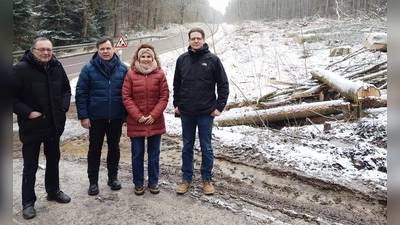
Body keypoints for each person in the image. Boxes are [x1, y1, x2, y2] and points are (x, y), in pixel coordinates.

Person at [13, 37, 72, 219]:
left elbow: (66, 90)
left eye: (49, 49)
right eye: (42, 49)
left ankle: (53, 191)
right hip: (32, 126)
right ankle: (28, 202)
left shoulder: (57, 66)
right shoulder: (19, 70)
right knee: (30, 166)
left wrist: (62, 108)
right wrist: (28, 113)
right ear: (33, 51)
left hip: (54, 124)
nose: (46, 53)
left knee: (53, 160)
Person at [173, 28, 229, 195]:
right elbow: (176, 84)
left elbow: (223, 85)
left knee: (206, 147)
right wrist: (177, 104)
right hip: (186, 112)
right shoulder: (182, 60)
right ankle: (186, 178)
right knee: (186, 147)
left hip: (206, 112)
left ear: (204, 40)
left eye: (198, 38)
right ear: (189, 40)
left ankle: (206, 178)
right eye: (192, 38)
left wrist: (219, 107)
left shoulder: (213, 60)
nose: (195, 41)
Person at [75, 36, 128, 196]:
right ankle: (93, 182)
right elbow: (81, 93)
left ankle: (113, 178)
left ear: (113, 49)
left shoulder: (123, 69)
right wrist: (84, 116)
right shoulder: (88, 69)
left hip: (116, 117)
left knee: (115, 148)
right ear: (98, 50)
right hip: (96, 118)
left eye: (108, 48)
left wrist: (126, 115)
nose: (105, 51)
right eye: (102, 49)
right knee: (94, 149)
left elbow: (128, 94)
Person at [122, 44, 169, 195]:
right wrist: (138, 116)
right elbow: (126, 97)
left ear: (153, 58)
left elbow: (164, 96)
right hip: (137, 121)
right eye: (143, 56)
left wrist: (154, 115)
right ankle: (138, 183)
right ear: (138, 57)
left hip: (155, 121)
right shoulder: (130, 75)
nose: (146, 59)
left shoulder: (160, 74)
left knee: (154, 154)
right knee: (137, 154)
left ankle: (153, 182)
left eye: (149, 56)